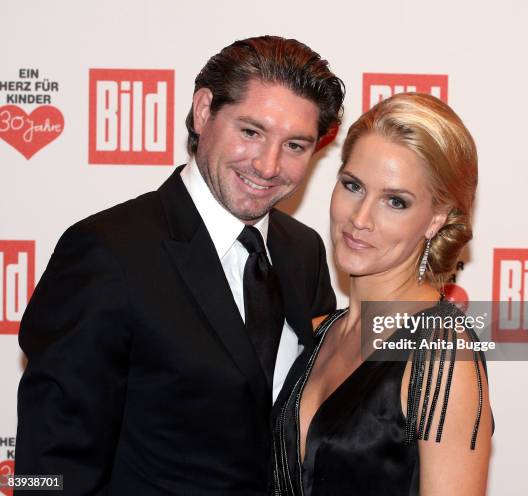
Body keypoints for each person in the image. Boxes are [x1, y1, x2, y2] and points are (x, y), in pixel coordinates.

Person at [16, 35, 344, 495]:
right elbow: (47, 466)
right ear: (204, 111)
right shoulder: (107, 251)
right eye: (251, 132)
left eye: (295, 146)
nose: (269, 166)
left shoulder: (302, 251)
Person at [272, 93, 493, 495]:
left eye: (395, 201)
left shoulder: (441, 353)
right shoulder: (321, 333)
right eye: (353, 186)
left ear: (436, 218)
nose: (360, 219)